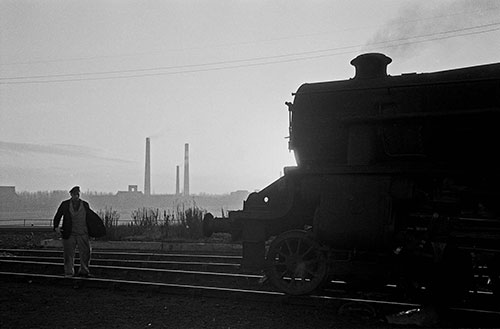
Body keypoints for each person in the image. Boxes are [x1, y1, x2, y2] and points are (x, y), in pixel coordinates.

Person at [53, 186, 93, 278]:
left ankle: (84, 271)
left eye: (77, 194)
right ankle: (69, 272)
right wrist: (56, 227)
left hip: (83, 232)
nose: (76, 196)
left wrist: (92, 231)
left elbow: (90, 219)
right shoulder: (65, 204)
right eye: (74, 194)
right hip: (69, 233)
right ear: (71, 195)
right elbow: (58, 215)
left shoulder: (85, 205)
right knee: (68, 254)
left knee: (86, 253)